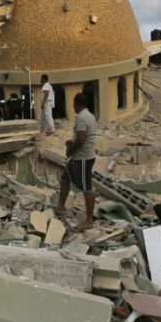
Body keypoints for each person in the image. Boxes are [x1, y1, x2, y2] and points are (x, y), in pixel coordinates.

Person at [55, 93, 96, 231]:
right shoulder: (89, 115)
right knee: (65, 178)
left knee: (86, 188)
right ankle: (61, 206)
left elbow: (81, 139)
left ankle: (89, 219)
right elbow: (80, 137)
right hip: (78, 157)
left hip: (83, 158)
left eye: (73, 104)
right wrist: (71, 143)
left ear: (76, 104)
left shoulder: (81, 117)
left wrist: (71, 150)